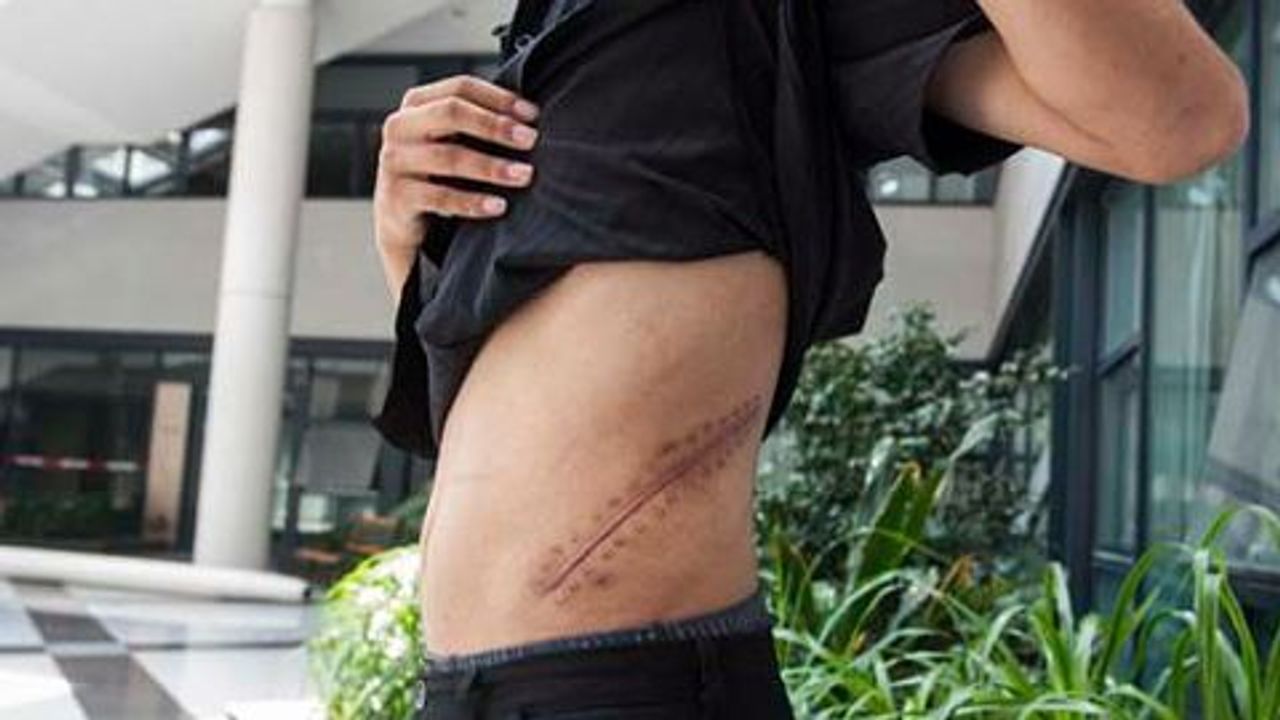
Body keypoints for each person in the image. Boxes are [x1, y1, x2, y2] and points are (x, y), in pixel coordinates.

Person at [369, 0, 1248, 717]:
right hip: (456, 685)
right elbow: (511, 436)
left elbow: (1177, 120)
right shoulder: (546, 39)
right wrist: (404, 235)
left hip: (625, 681)